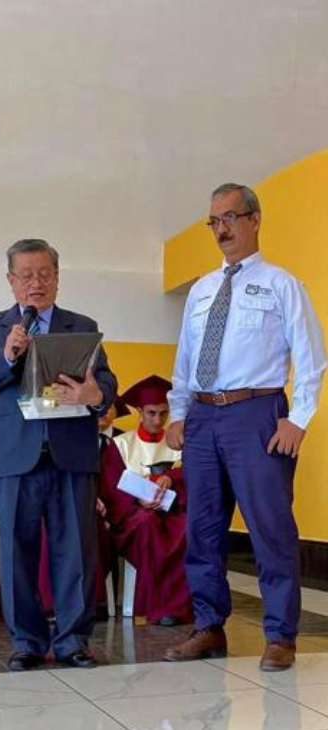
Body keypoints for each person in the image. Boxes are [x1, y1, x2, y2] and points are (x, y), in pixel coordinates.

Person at [164, 183, 326, 671]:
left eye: (230, 218)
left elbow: (311, 356)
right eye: (214, 221)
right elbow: (185, 358)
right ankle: (209, 626)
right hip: (202, 416)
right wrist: (178, 412)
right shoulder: (201, 290)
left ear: (255, 219)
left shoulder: (282, 284)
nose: (222, 229)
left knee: (269, 527)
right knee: (202, 527)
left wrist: (298, 419)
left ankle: (280, 636)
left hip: (256, 413)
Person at [0, 238, 117, 670]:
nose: (36, 283)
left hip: (71, 452)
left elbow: (107, 383)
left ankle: (73, 642)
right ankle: (26, 642)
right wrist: (6, 356)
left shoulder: (81, 325)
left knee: (76, 551)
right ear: (11, 281)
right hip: (14, 456)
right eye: (27, 275)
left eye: (45, 274)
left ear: (57, 277)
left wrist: (95, 394)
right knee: (16, 554)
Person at [100, 375, 192, 626]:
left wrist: (171, 479)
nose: (157, 420)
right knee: (148, 524)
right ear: (140, 411)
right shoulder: (121, 444)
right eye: (151, 413)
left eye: (163, 414)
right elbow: (110, 486)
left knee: (187, 528)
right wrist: (137, 500)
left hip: (171, 511)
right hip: (134, 516)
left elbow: (190, 475)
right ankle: (159, 606)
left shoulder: (178, 444)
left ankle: (177, 607)